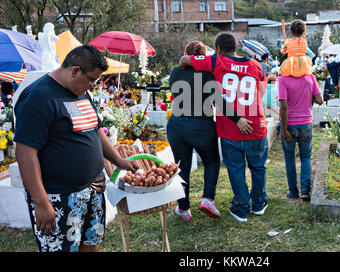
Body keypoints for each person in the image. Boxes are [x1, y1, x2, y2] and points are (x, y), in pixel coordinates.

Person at [13, 44, 139, 252]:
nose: (92, 86)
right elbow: (25, 153)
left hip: (92, 190)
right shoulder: (38, 98)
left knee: (91, 245)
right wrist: (42, 202)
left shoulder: (81, 92)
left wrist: (120, 161)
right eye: (91, 80)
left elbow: (95, 130)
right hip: (58, 197)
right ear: (75, 71)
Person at [179, 33, 269, 223]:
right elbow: (260, 92)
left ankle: (241, 208)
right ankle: (259, 204)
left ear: (218, 49)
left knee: (236, 169)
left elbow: (184, 59)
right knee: (258, 168)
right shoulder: (256, 65)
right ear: (236, 47)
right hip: (255, 124)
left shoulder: (216, 61)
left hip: (230, 129)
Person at [167, 40, 252, 222]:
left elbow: (174, 93)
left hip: (176, 124)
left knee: (182, 166)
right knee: (212, 161)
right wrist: (238, 119)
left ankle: (183, 208)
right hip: (201, 125)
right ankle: (207, 199)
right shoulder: (207, 73)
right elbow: (219, 102)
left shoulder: (175, 71)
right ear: (203, 55)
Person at [278, 60, 323, 201]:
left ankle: (293, 192)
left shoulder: (282, 79)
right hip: (306, 124)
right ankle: (305, 191)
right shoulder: (310, 78)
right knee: (306, 157)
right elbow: (320, 100)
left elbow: (284, 107)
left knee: (290, 158)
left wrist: (284, 130)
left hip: (289, 125)